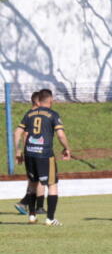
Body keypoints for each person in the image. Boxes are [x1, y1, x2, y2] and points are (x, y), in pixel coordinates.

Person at [14, 89, 72, 225]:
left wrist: (17, 151)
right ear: (51, 101)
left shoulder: (29, 113)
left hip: (29, 153)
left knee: (33, 184)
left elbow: (17, 132)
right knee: (52, 185)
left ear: (39, 101)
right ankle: (50, 219)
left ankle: (32, 216)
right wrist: (67, 148)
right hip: (45, 155)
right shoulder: (53, 114)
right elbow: (61, 135)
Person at [13, 91, 45, 216]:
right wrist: (21, 150)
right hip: (35, 151)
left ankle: (31, 205)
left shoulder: (31, 115)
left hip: (31, 151)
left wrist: (20, 151)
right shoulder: (33, 115)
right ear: (38, 102)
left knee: (34, 180)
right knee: (40, 179)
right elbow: (23, 134)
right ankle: (30, 204)